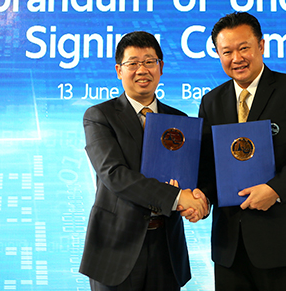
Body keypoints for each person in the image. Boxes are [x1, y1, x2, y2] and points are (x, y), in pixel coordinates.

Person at [196, 12, 286, 291]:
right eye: (227, 52)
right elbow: (209, 166)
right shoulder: (211, 102)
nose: (236, 58)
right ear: (218, 54)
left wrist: (275, 189)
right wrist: (201, 196)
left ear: (261, 45)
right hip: (230, 248)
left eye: (244, 48)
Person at [79, 31, 208, 291]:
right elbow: (115, 175)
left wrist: (198, 203)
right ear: (119, 70)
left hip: (166, 249)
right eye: (133, 63)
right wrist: (176, 198)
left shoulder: (179, 120)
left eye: (149, 61)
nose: (142, 70)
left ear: (161, 67)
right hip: (116, 249)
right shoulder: (99, 116)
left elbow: (189, 176)